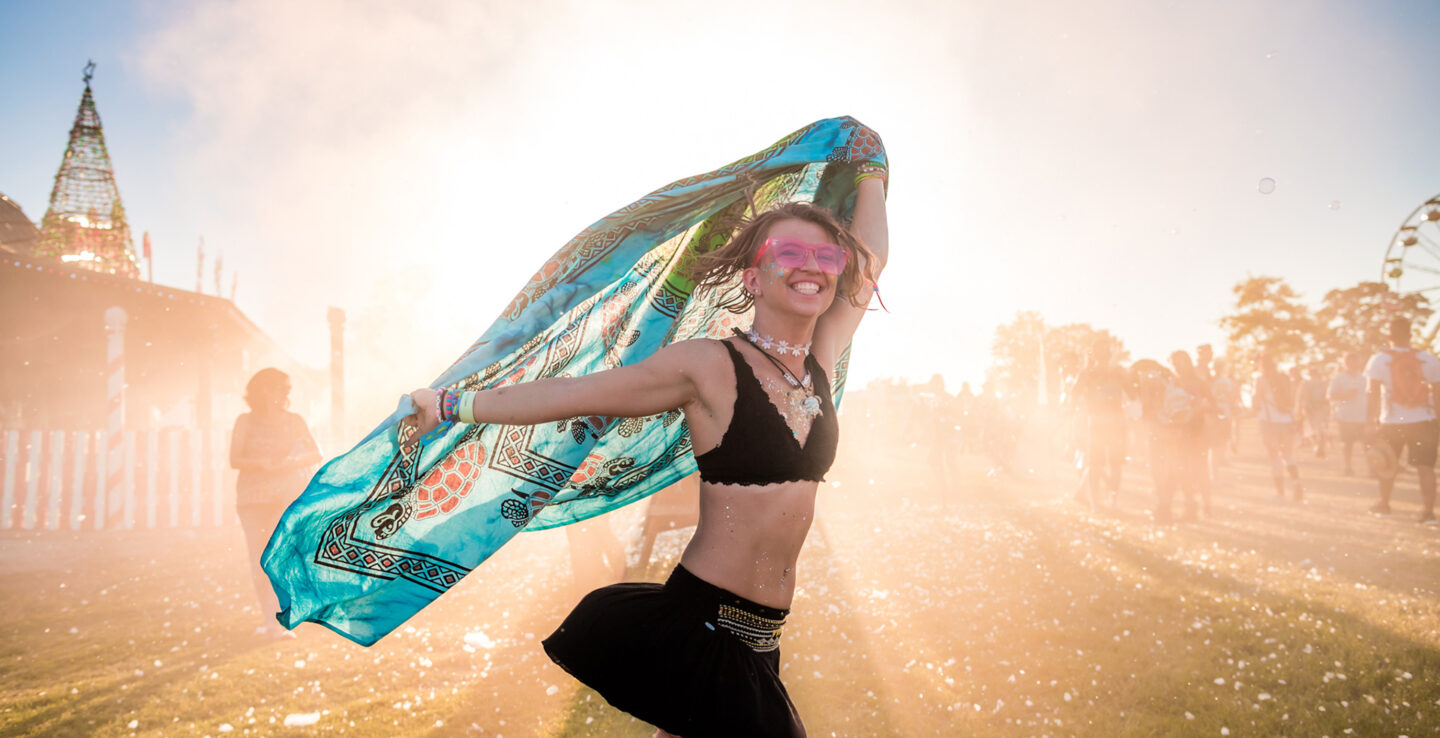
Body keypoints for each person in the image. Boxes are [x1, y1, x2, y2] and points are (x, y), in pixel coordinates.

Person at [409, 169, 888, 737]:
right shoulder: (709, 366)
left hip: (764, 638)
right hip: (706, 625)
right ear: (754, 278)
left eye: (826, 256)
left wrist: (871, 175)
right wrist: (452, 404)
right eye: (789, 251)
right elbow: (574, 393)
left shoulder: (820, 359)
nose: (811, 265)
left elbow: (872, 258)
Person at [230, 368, 321, 638]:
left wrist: (290, 462)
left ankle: (285, 616)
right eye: (281, 387)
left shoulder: (293, 421)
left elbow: (315, 452)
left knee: (283, 556)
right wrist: (260, 464)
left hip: (286, 496)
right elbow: (234, 459)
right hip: (253, 500)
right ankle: (270, 620)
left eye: (287, 388)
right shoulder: (245, 421)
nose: (286, 393)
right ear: (263, 390)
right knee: (260, 559)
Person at [1363, 317, 1440, 524]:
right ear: (1410, 335)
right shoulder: (1428, 359)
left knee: (1387, 463)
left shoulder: (1379, 360)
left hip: (1392, 422)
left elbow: (1372, 393)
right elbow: (1438, 393)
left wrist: (1370, 422)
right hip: (1424, 420)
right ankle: (1427, 513)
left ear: (1389, 336)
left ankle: (1384, 505)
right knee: (1426, 468)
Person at [1069, 340, 1130, 510]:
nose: (1103, 356)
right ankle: (1096, 502)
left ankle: (1112, 501)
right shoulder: (1088, 373)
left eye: (1105, 352)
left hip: (1115, 422)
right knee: (1096, 463)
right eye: (1099, 352)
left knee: (1114, 464)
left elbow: (1132, 392)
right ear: (1094, 355)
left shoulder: (1118, 373)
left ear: (1109, 354)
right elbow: (1073, 394)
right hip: (1096, 422)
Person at [1254, 354, 1302, 501]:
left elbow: (1256, 401)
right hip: (1287, 420)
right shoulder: (1284, 378)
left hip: (1270, 422)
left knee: (1274, 457)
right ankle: (1296, 484)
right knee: (1288, 455)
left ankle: (1280, 493)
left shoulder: (1260, 380)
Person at [1328, 352, 1367, 475]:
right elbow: (1330, 396)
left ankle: (1371, 467)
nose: (1355, 363)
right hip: (1346, 416)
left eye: (1357, 360)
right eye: (1351, 361)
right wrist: (1345, 396)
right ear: (1346, 363)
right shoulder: (1338, 378)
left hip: (1363, 415)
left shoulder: (1364, 377)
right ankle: (1348, 467)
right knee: (1348, 444)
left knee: (1368, 443)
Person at [1299, 366, 1332, 459]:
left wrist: (1299, 409)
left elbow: (1300, 397)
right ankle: (1319, 447)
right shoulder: (1323, 383)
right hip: (1320, 409)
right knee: (1320, 429)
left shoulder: (1305, 383)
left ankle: (1317, 446)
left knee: (1312, 429)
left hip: (1312, 409)